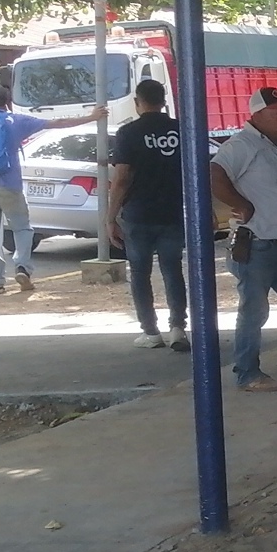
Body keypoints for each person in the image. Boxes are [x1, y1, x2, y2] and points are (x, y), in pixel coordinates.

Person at [210, 86, 277, 392]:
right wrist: (239, 204)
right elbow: (215, 172)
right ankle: (247, 373)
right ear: (257, 115)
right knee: (255, 312)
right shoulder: (242, 145)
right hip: (257, 244)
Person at [0, 83, 105, 295]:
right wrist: (91, 117)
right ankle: (23, 268)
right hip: (9, 185)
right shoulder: (18, 121)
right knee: (22, 228)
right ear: (7, 102)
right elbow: (58, 122)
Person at [106, 78, 188, 351]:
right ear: (164, 100)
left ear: (137, 102)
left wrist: (110, 216)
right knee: (173, 270)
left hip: (138, 214)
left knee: (140, 273)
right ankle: (178, 328)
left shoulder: (129, 133)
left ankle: (151, 332)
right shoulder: (180, 130)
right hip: (173, 212)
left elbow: (121, 178)